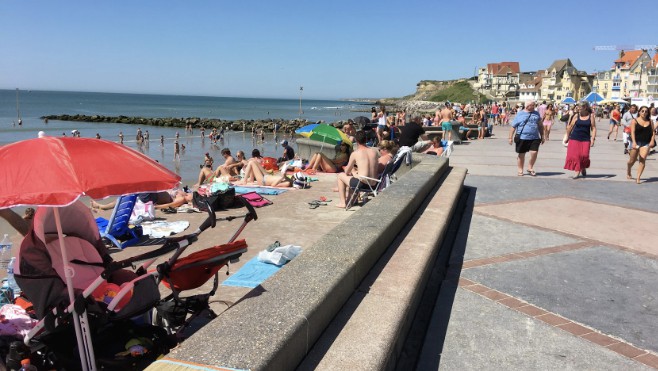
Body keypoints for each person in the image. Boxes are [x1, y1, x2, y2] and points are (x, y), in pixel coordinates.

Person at [335, 130, 379, 208]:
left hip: (362, 184)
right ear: (366, 140)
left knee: (341, 176)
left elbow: (347, 171)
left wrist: (353, 171)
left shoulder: (355, 153)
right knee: (354, 177)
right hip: (374, 185)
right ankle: (352, 200)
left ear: (356, 141)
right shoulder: (374, 152)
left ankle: (343, 203)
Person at [509, 100, 544, 176]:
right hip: (522, 137)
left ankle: (530, 167)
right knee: (521, 154)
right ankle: (520, 169)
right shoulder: (520, 114)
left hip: (534, 137)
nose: (534, 107)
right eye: (533, 105)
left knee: (534, 152)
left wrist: (542, 136)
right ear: (528, 106)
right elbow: (513, 126)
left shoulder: (536, 113)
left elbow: (540, 126)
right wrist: (510, 138)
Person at [564, 102, 597, 179]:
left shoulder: (590, 116)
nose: (578, 108)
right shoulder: (576, 116)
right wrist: (567, 137)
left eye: (579, 107)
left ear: (585, 107)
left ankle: (583, 167)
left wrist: (593, 139)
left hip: (585, 139)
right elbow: (570, 127)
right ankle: (577, 171)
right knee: (576, 156)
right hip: (575, 138)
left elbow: (593, 128)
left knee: (584, 156)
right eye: (578, 107)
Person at [627, 106, 656, 184]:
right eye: (642, 111)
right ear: (639, 112)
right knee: (631, 161)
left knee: (642, 159)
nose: (644, 113)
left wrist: (652, 140)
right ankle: (629, 170)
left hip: (646, 142)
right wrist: (633, 142)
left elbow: (653, 132)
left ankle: (638, 177)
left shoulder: (650, 121)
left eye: (646, 111)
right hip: (636, 142)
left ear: (648, 113)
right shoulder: (634, 121)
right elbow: (632, 132)